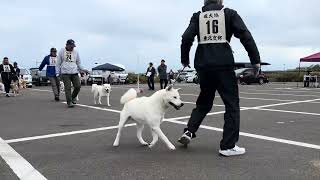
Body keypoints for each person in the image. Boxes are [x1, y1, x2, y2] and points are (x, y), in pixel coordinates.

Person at [178, 0, 261, 157]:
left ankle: (189, 131)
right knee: (231, 104)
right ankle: (228, 146)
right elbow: (245, 35)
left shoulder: (198, 16)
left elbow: (186, 37)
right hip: (223, 64)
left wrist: (185, 59)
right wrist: (255, 60)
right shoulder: (229, 14)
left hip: (204, 65)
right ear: (220, 0)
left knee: (204, 102)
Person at [56, 39, 86, 108]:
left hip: (74, 72)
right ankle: (69, 102)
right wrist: (57, 73)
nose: (72, 48)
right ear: (67, 45)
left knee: (78, 86)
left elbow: (78, 63)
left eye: (73, 46)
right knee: (68, 88)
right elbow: (58, 63)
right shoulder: (61, 51)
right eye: (71, 46)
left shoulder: (76, 52)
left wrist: (83, 69)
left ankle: (73, 97)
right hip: (65, 73)